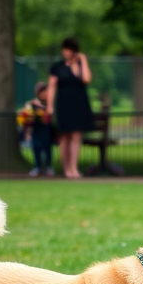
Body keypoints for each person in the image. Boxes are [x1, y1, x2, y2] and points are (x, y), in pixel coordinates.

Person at [47, 37, 95, 178]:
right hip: (63, 104)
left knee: (76, 135)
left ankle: (74, 168)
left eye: (69, 50)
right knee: (64, 136)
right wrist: (50, 105)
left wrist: (83, 60)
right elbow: (52, 87)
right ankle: (66, 169)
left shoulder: (80, 65)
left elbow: (86, 79)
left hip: (79, 104)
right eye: (64, 49)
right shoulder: (58, 67)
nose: (66, 52)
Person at [18, 82, 55, 177]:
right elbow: (27, 118)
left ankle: (48, 166)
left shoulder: (49, 104)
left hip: (47, 130)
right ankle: (37, 166)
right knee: (36, 147)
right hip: (37, 130)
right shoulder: (32, 104)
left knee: (47, 148)